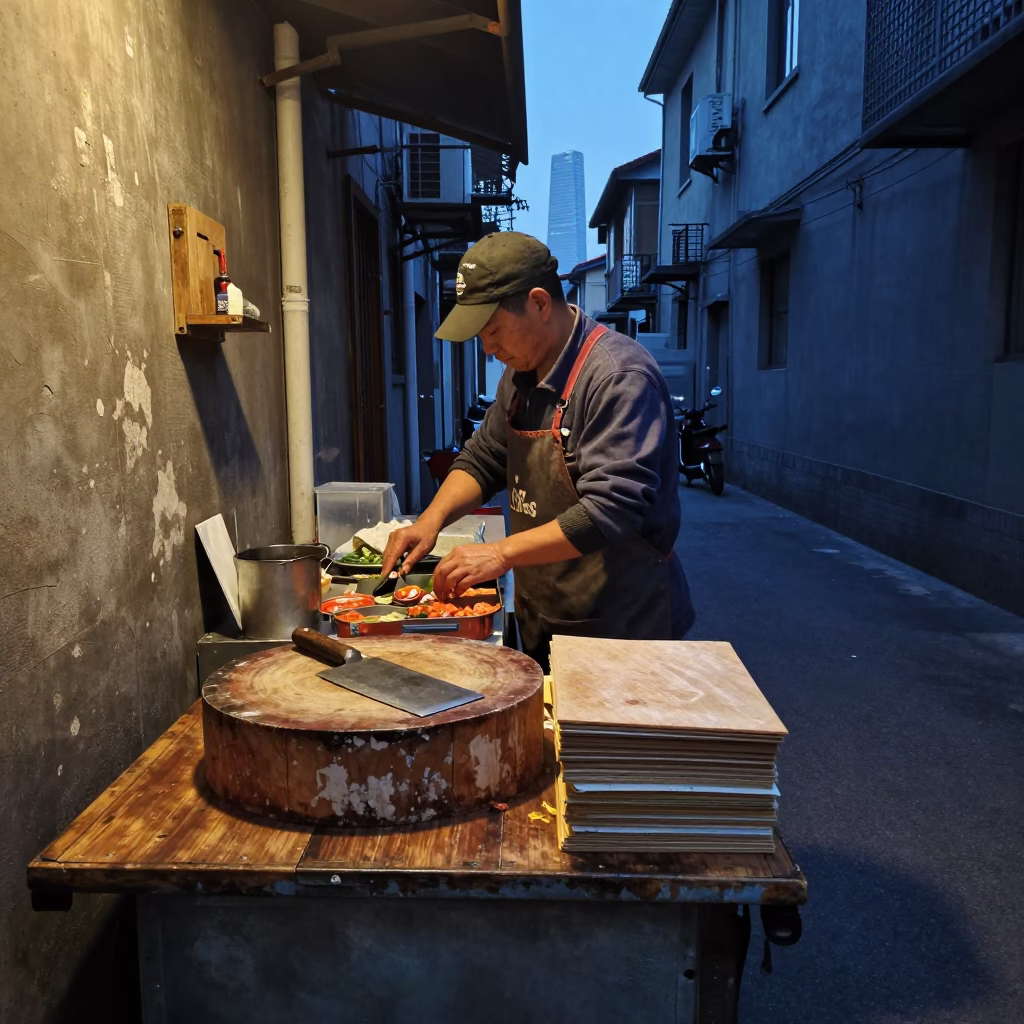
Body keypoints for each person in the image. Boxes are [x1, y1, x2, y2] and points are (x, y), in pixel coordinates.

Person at [380, 231, 694, 671]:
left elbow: (612, 509)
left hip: (622, 629)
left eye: (492, 331)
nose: (488, 348)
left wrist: (500, 553)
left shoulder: (618, 377)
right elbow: (485, 457)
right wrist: (428, 522)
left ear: (540, 303)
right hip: (545, 615)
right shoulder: (520, 375)